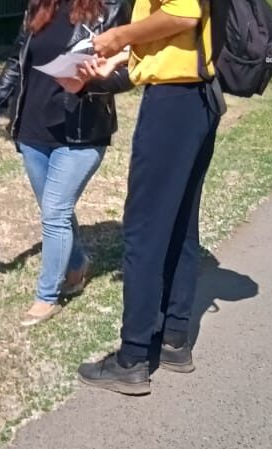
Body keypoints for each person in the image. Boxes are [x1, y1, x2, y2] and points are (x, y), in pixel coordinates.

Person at [76, 0, 222, 394]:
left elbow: (183, 14)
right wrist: (122, 56)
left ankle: (132, 358)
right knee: (181, 224)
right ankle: (174, 338)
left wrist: (118, 36)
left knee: (143, 230)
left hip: (171, 103)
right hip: (201, 97)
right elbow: (177, 37)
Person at [0, 0, 132, 326]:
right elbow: (16, 64)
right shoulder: (39, 6)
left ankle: (46, 296)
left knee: (55, 211)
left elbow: (132, 68)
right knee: (53, 209)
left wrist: (92, 81)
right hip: (33, 131)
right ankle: (76, 265)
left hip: (81, 133)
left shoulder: (110, 7)